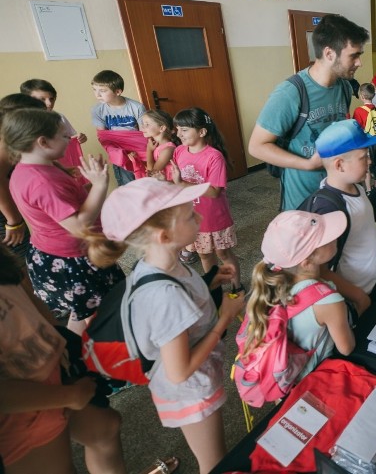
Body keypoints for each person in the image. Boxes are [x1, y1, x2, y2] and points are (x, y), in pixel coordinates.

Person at [86, 177, 244, 474]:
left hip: (192, 380)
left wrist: (211, 280)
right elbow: (180, 370)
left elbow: (182, 303)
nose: (199, 216)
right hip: (191, 391)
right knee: (215, 461)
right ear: (163, 235)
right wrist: (225, 316)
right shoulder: (164, 296)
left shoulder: (160, 264)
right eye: (189, 215)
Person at [0, 244, 175, 474]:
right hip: (24, 411)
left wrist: (66, 350)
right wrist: (69, 396)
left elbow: (27, 296)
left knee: (105, 428)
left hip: (54, 376)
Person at [3, 108, 124, 335]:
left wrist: (87, 186)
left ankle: (79, 354)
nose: (69, 140)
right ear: (43, 142)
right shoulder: (42, 181)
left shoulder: (29, 168)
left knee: (81, 313)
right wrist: (99, 185)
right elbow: (78, 226)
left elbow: (61, 207)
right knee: (97, 313)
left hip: (53, 252)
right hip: (72, 259)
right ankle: (101, 356)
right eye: (64, 136)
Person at [249, 14, 369, 211]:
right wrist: (308, 165)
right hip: (303, 202)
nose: (359, 63)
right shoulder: (291, 92)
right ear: (329, 54)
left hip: (336, 194)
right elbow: (256, 147)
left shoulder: (344, 88)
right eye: (354, 55)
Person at [240, 210, 355, 381]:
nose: (334, 237)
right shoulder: (329, 301)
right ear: (307, 262)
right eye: (326, 239)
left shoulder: (274, 282)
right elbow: (346, 348)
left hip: (284, 375)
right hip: (310, 379)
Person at [304, 120, 376, 314]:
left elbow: (363, 230)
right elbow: (321, 269)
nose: (370, 161)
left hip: (371, 282)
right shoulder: (329, 209)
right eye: (364, 157)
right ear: (340, 165)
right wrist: (357, 296)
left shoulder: (356, 187)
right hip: (355, 295)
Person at [171, 107, 240, 289]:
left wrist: (182, 183)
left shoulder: (214, 157)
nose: (179, 134)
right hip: (192, 216)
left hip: (213, 217)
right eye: (177, 129)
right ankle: (214, 289)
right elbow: (177, 182)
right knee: (204, 255)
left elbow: (214, 191)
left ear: (202, 132)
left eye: (184, 130)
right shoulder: (179, 151)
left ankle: (237, 285)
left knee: (223, 253)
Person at [0, 94, 45, 255]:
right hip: (5, 212)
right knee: (16, 257)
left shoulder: (13, 138)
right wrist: (14, 221)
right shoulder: (5, 143)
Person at [90, 70, 146, 186]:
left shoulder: (136, 107)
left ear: (118, 91)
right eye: (94, 90)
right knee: (127, 186)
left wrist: (138, 153)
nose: (97, 95)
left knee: (144, 183)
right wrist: (117, 152)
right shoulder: (97, 110)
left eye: (103, 91)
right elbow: (103, 136)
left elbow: (144, 133)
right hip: (118, 153)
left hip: (140, 152)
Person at [21, 79, 88, 145]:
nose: (49, 103)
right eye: (42, 99)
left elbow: (68, 139)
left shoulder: (59, 117)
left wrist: (79, 138)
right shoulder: (21, 122)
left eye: (52, 99)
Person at [138, 109, 178, 180]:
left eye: (147, 124)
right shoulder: (156, 146)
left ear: (162, 128)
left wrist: (149, 151)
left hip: (169, 186)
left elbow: (151, 174)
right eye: (143, 124)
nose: (142, 127)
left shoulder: (168, 149)